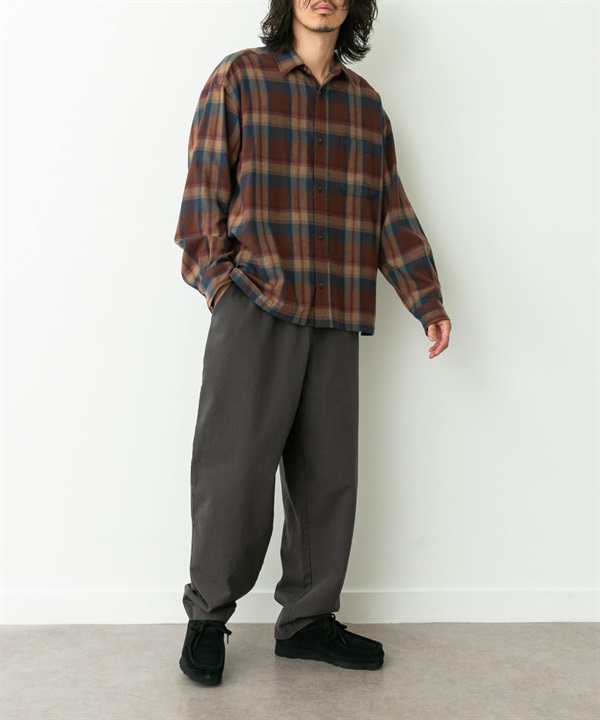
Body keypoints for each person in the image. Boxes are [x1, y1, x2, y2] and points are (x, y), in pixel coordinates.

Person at [173, 0, 452, 687]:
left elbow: (389, 209)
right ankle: (207, 617)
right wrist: (221, 287)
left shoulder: (366, 107)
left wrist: (426, 299)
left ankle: (307, 621)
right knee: (233, 471)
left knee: (328, 476)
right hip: (255, 304)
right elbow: (203, 196)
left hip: (335, 310)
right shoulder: (240, 78)